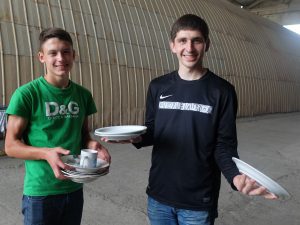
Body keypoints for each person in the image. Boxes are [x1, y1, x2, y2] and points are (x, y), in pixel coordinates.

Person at [102, 14, 277, 225]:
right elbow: (154, 129)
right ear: (172, 46)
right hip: (159, 195)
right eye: (182, 40)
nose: (190, 48)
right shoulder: (158, 86)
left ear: (207, 45)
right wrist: (134, 138)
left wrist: (236, 177)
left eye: (197, 40)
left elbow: (224, 146)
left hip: (198, 201)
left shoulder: (222, 91)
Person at [5, 27, 111, 225]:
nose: (60, 58)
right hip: (40, 193)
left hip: (74, 188)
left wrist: (92, 144)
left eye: (65, 51)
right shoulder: (26, 94)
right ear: (41, 57)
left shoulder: (83, 95)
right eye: (53, 53)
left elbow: (83, 134)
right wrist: (46, 153)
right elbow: (10, 146)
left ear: (73, 55)